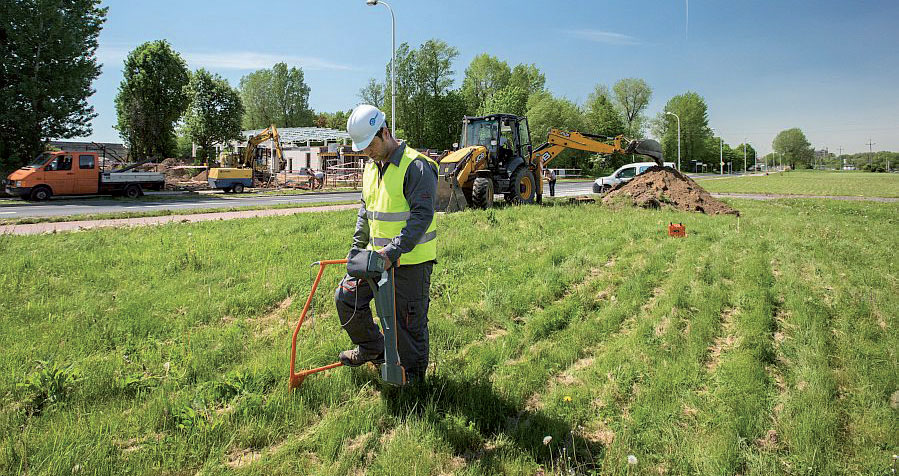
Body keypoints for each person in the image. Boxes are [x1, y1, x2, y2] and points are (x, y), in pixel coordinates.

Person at [334, 104, 438, 384]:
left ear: (385, 132)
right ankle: (372, 348)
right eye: (363, 148)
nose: (367, 152)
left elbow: (421, 216)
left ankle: (412, 383)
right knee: (346, 298)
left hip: (410, 262)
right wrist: (357, 249)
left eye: (371, 145)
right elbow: (365, 211)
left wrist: (392, 252)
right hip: (375, 259)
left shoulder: (416, 166)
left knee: (408, 325)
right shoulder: (371, 168)